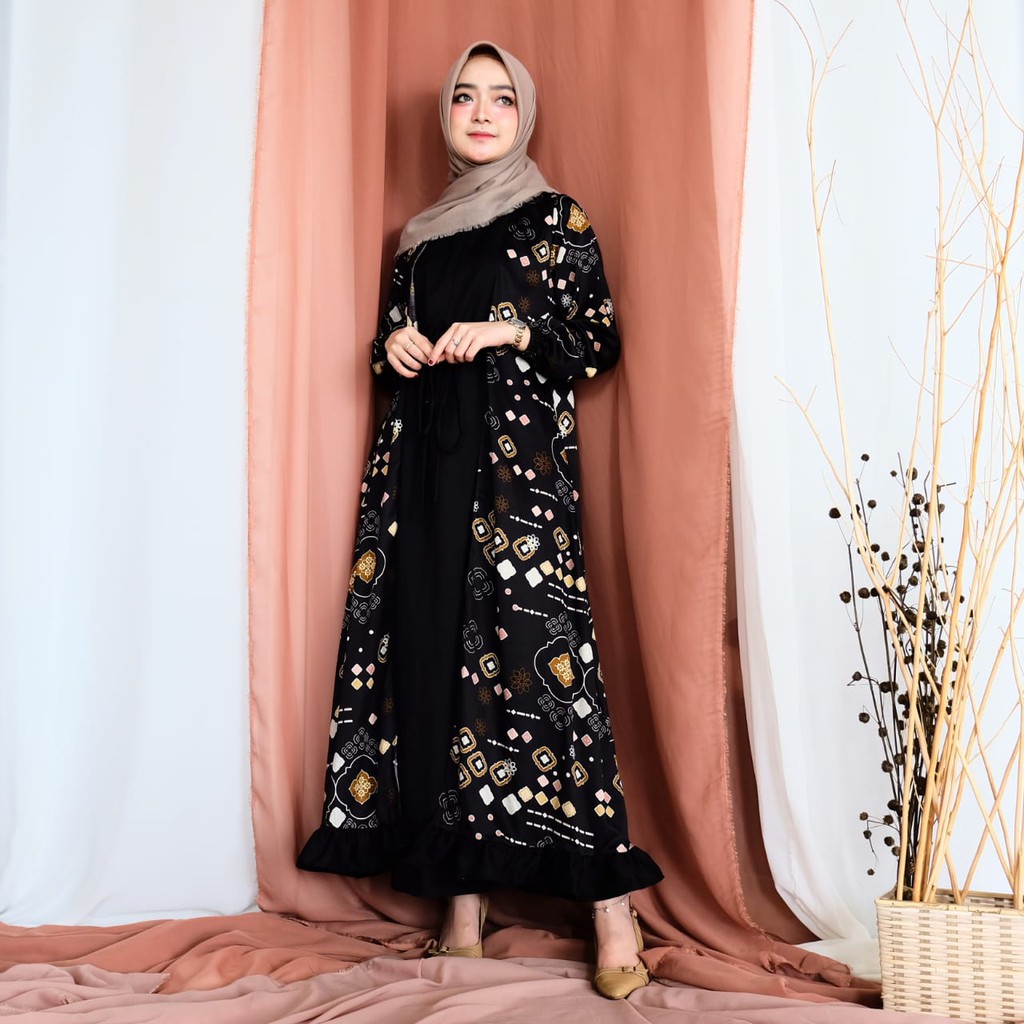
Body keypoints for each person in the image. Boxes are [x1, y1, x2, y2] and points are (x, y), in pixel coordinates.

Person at [298, 40, 663, 1000]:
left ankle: (612, 912)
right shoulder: (418, 238)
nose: (484, 112)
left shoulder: (554, 217)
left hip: (513, 478)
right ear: (448, 118)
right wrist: (393, 346)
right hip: (420, 472)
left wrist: (509, 328)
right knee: (428, 672)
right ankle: (461, 909)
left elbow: (597, 338)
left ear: (524, 114)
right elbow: (388, 345)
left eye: (502, 98)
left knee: (541, 670)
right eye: (466, 97)